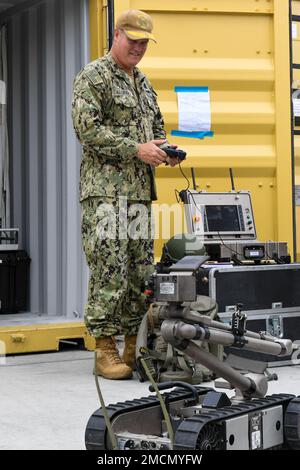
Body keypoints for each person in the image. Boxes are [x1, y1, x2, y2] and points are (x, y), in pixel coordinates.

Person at [72, 9, 179, 380]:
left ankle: (134, 347)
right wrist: (137, 149)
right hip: (104, 194)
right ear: (116, 35)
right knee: (109, 270)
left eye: (144, 43)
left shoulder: (144, 83)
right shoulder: (94, 76)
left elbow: (157, 128)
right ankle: (104, 348)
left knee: (139, 272)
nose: (138, 48)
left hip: (139, 194)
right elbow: (88, 131)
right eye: (132, 40)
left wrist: (164, 150)